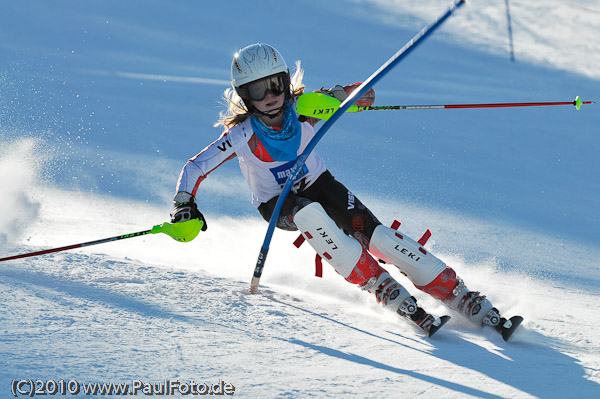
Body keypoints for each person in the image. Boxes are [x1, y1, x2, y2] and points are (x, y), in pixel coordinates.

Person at [170, 43, 506, 337]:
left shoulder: (305, 107)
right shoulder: (242, 135)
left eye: (275, 85)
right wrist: (184, 204)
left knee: (378, 237)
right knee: (308, 213)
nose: (270, 96)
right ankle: (379, 285)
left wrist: (357, 95)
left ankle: (458, 292)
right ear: (245, 96)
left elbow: (353, 95)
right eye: (258, 91)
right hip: (277, 203)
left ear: (286, 83)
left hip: (321, 184)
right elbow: (194, 166)